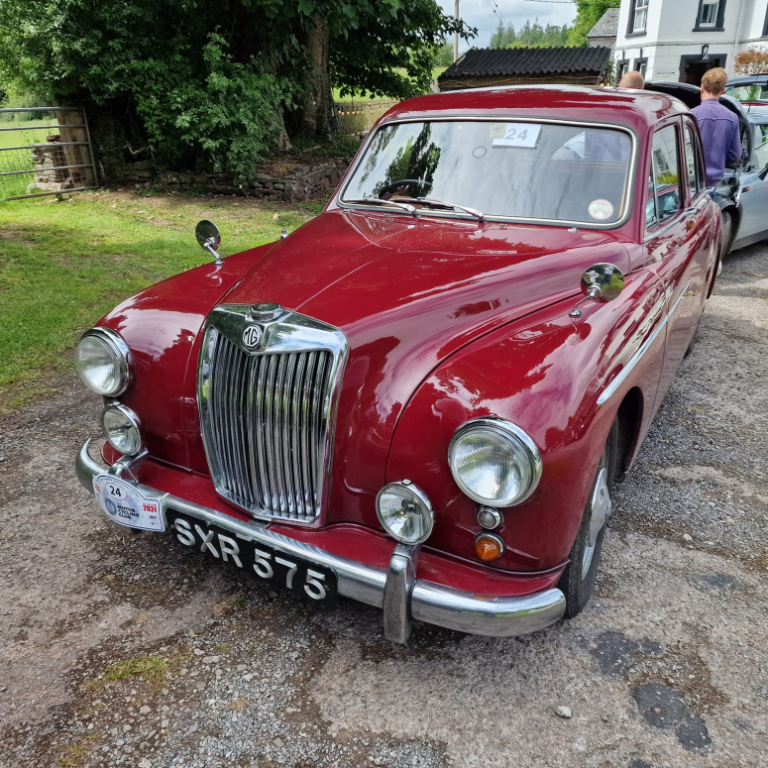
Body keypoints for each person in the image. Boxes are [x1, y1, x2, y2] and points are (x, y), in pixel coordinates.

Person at [691, 68, 741, 187]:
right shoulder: (732, 117)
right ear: (723, 91)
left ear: (702, 87)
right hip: (715, 184)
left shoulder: (690, 115)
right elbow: (735, 155)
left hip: (690, 182)